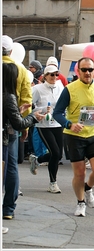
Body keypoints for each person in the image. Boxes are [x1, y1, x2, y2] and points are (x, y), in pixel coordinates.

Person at [53, 57, 94, 217]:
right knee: (79, 173)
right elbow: (57, 112)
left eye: (90, 69)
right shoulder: (70, 89)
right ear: (78, 71)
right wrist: (69, 124)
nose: (87, 72)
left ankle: (87, 188)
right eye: (84, 70)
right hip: (74, 136)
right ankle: (80, 203)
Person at [2, 63, 45, 218]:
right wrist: (33, 117)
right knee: (10, 168)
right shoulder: (9, 96)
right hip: (6, 137)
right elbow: (18, 124)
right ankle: (8, 208)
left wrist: (17, 111)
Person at [2, 35, 33, 220]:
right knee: (11, 165)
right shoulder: (20, 69)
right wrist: (24, 124)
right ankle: (8, 209)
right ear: (11, 51)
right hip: (12, 125)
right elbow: (26, 98)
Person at [30, 65, 65, 193]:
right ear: (45, 76)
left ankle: (37, 159)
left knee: (59, 155)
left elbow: (64, 103)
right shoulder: (38, 89)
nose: (54, 77)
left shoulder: (60, 87)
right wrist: (42, 110)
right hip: (43, 124)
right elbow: (29, 106)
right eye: (51, 75)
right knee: (55, 153)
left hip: (57, 123)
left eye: (56, 74)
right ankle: (53, 183)